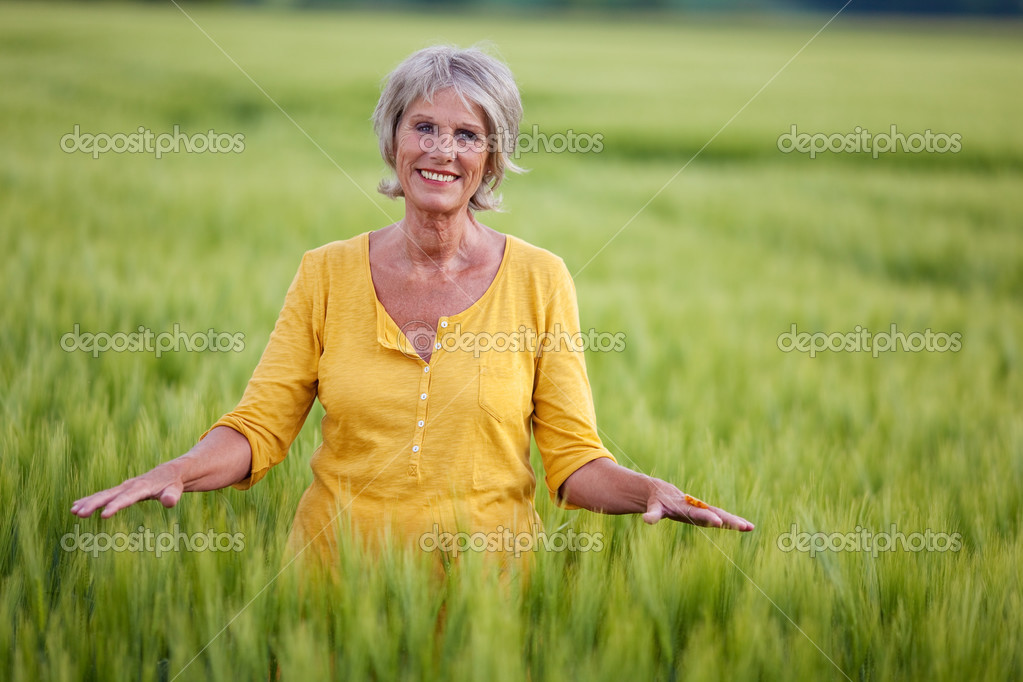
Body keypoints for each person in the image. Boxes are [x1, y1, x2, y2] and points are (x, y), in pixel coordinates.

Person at [70, 45, 753, 567]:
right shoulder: (326, 273)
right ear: (392, 139)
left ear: (491, 158)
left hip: (488, 605)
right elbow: (259, 429)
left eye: (467, 135)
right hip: (330, 593)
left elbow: (574, 464)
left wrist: (646, 491)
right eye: (422, 126)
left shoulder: (541, 279)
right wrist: (179, 469)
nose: (441, 151)